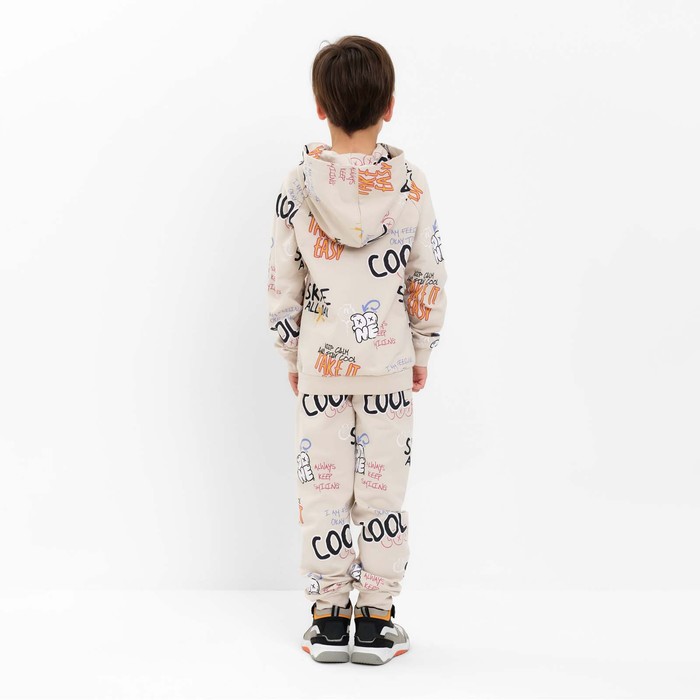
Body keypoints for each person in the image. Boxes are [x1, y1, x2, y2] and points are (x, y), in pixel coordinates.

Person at [266, 35, 448, 665]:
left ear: (320, 107)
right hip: (389, 368)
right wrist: (421, 349)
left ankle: (326, 620)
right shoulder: (411, 186)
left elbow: (282, 283)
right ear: (389, 106)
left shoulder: (297, 186)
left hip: (321, 370)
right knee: (382, 494)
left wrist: (292, 353)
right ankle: (374, 621)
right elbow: (426, 276)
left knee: (323, 491)